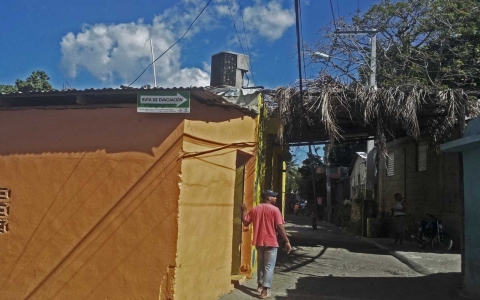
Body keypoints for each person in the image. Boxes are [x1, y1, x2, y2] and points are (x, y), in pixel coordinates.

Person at [241, 190, 292, 299]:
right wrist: (287, 241)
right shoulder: (275, 210)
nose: (276, 198)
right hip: (271, 242)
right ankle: (264, 291)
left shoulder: (255, 209)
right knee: (269, 266)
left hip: (259, 242)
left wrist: (244, 211)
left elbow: (245, 222)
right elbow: (279, 226)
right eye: (274, 197)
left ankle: (259, 285)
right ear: (268, 198)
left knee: (261, 264)